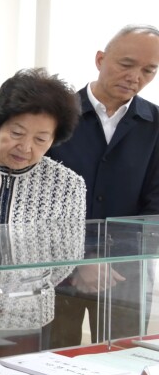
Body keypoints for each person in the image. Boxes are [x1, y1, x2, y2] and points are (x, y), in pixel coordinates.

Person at [47, 24, 159, 346]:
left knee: (119, 365)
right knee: (51, 362)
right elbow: (37, 196)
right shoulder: (55, 114)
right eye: (126, 64)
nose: (135, 77)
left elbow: (155, 206)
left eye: (148, 70)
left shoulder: (155, 124)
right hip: (57, 269)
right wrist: (82, 259)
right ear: (100, 59)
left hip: (124, 273)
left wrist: (108, 260)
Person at [0, 68, 86, 332]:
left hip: (28, 318)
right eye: (16, 133)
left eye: (40, 139)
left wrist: (23, 291)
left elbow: (66, 258)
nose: (26, 148)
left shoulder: (68, 185)